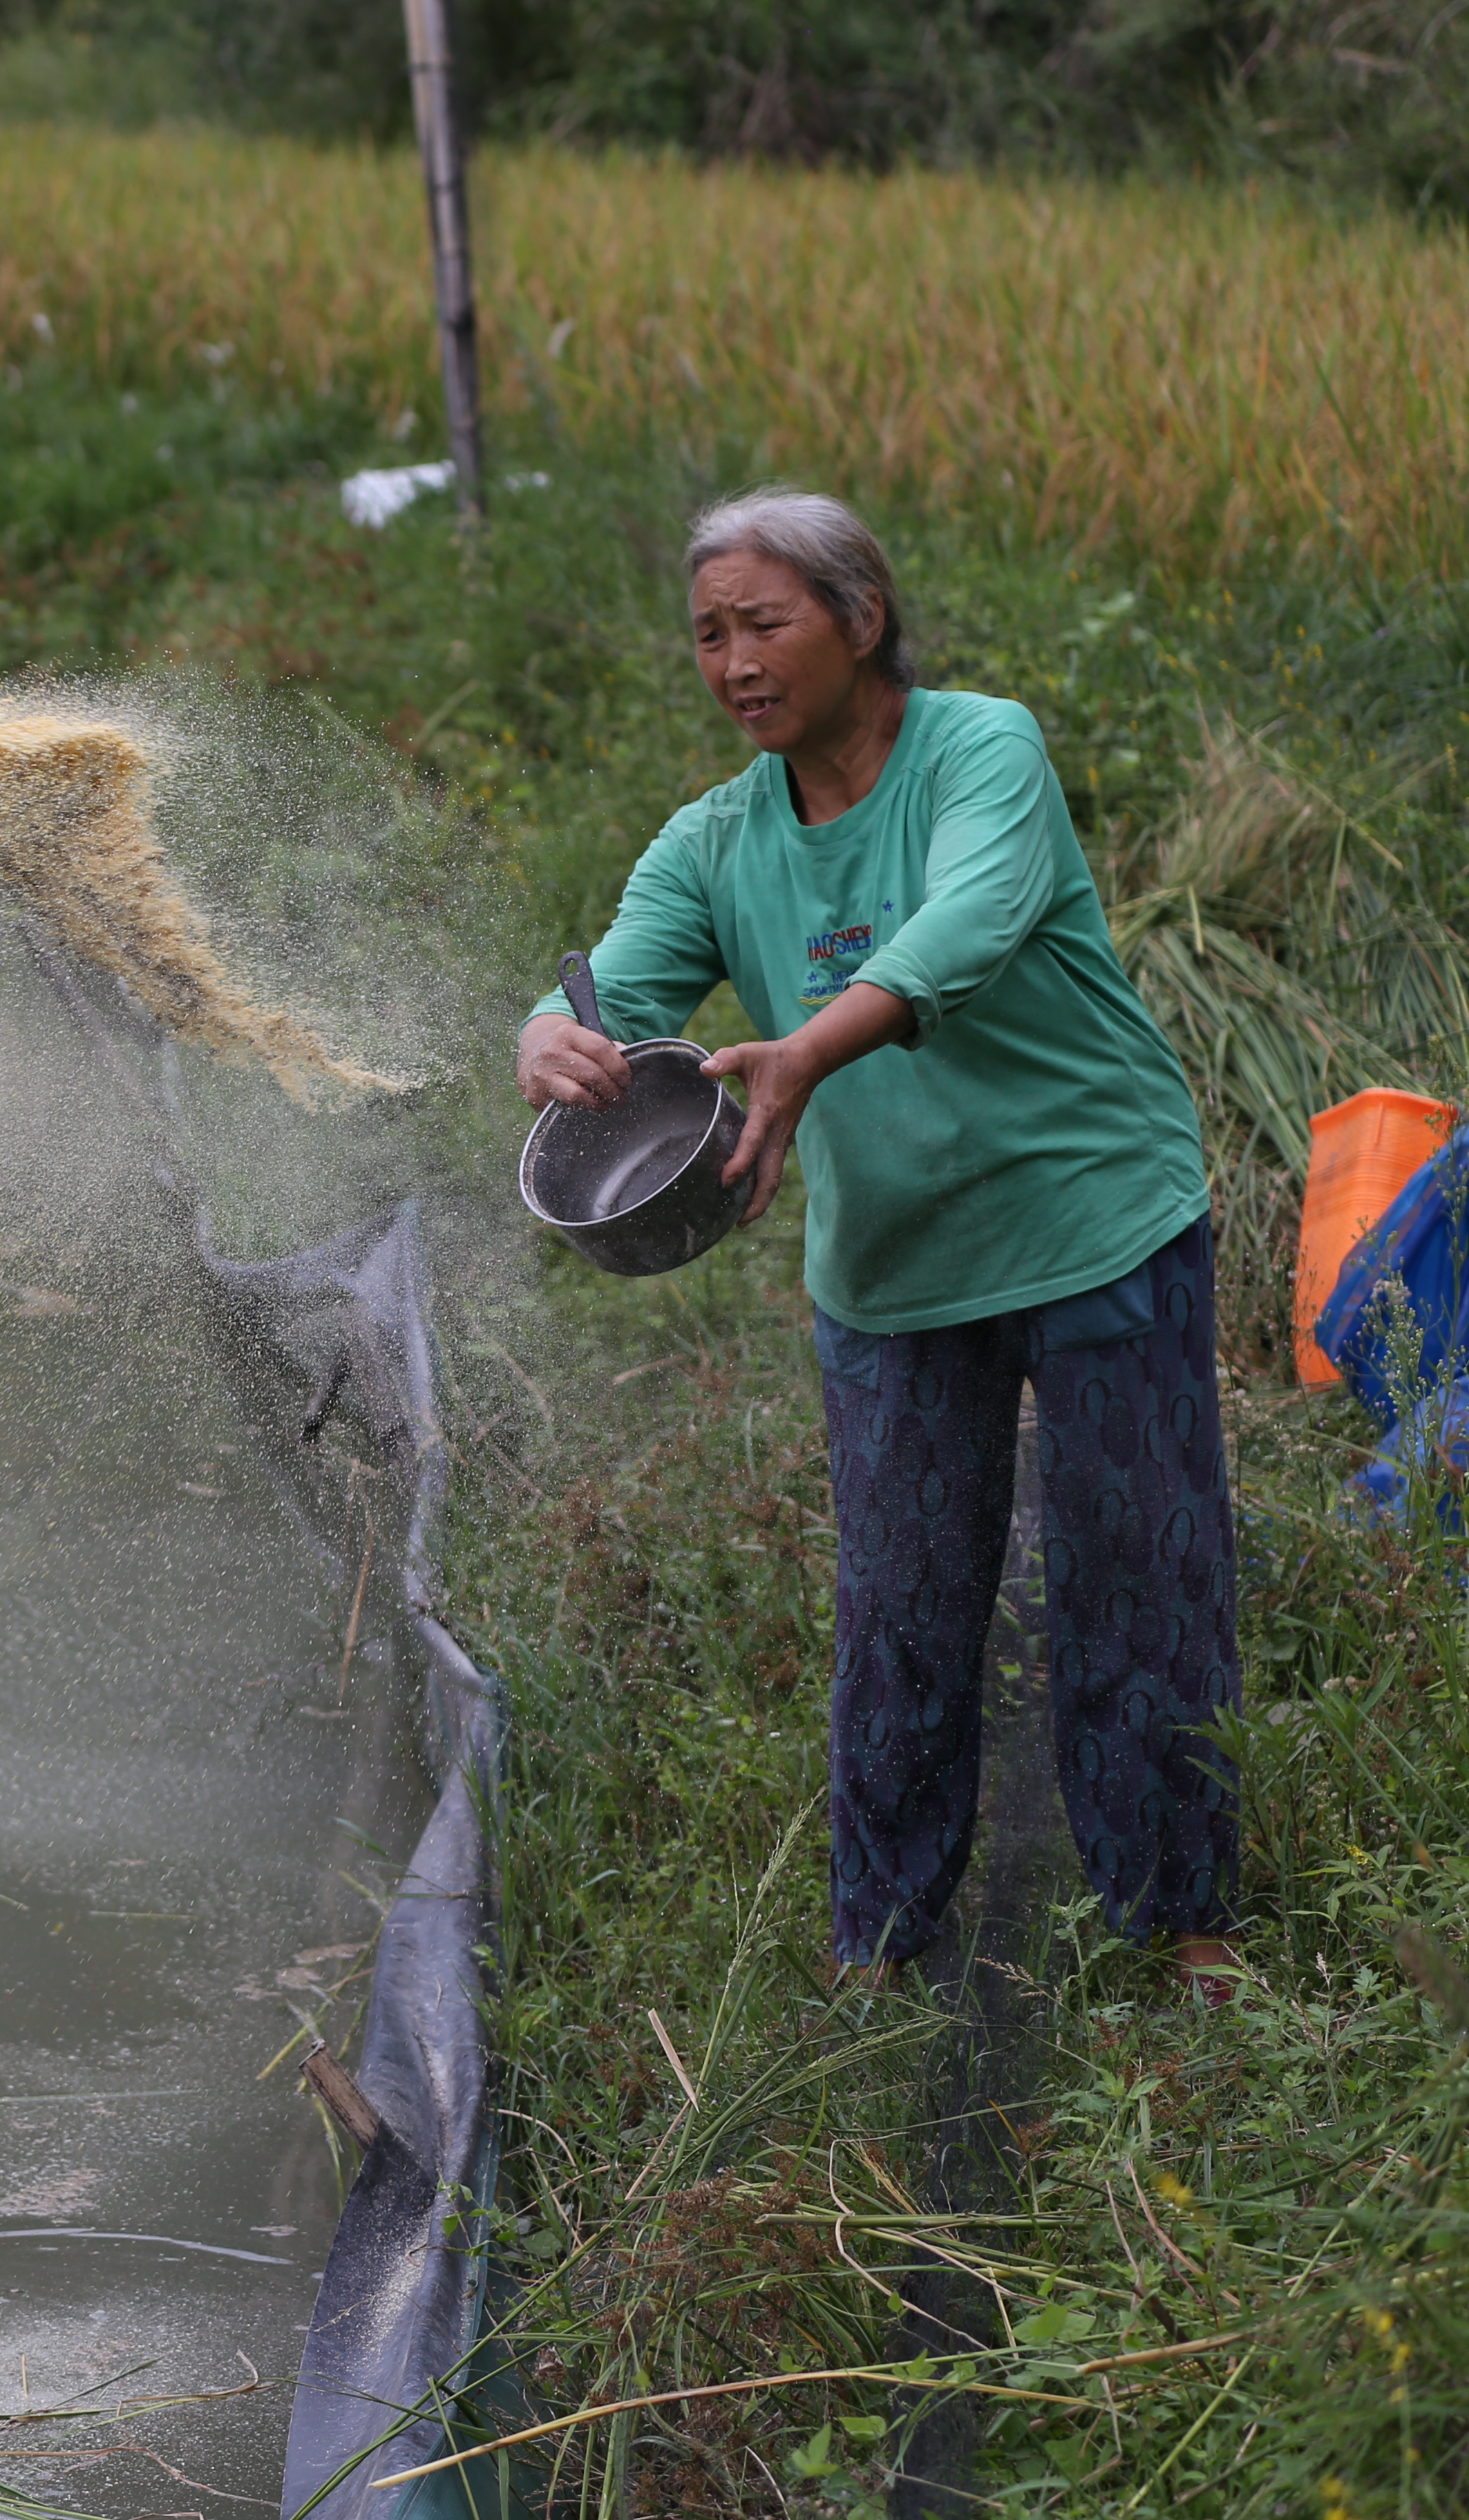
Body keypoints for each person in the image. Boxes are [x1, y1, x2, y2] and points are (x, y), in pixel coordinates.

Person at [515, 486, 1242, 2000]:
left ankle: (1182, 1933)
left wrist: (804, 1054)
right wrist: (550, 1043)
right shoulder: (715, 841)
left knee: (1139, 1581)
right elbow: (608, 982)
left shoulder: (984, 750)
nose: (733, 662)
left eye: (763, 622)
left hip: (1096, 1220)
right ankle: (885, 1954)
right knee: (905, 1612)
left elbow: (969, 924)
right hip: (898, 1270)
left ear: (860, 618)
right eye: (708, 636)